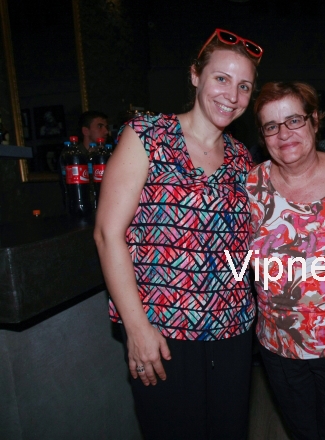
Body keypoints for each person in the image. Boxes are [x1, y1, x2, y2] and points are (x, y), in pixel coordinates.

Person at [94, 28, 263, 440]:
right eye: (221, 78)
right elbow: (107, 234)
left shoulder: (242, 158)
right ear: (195, 76)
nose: (232, 95)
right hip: (162, 332)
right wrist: (137, 328)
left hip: (233, 330)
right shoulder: (147, 135)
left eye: (244, 86)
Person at [247, 81, 325, 440]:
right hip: (280, 346)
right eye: (271, 126)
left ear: (315, 120)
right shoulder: (250, 188)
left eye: (294, 120)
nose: (283, 134)